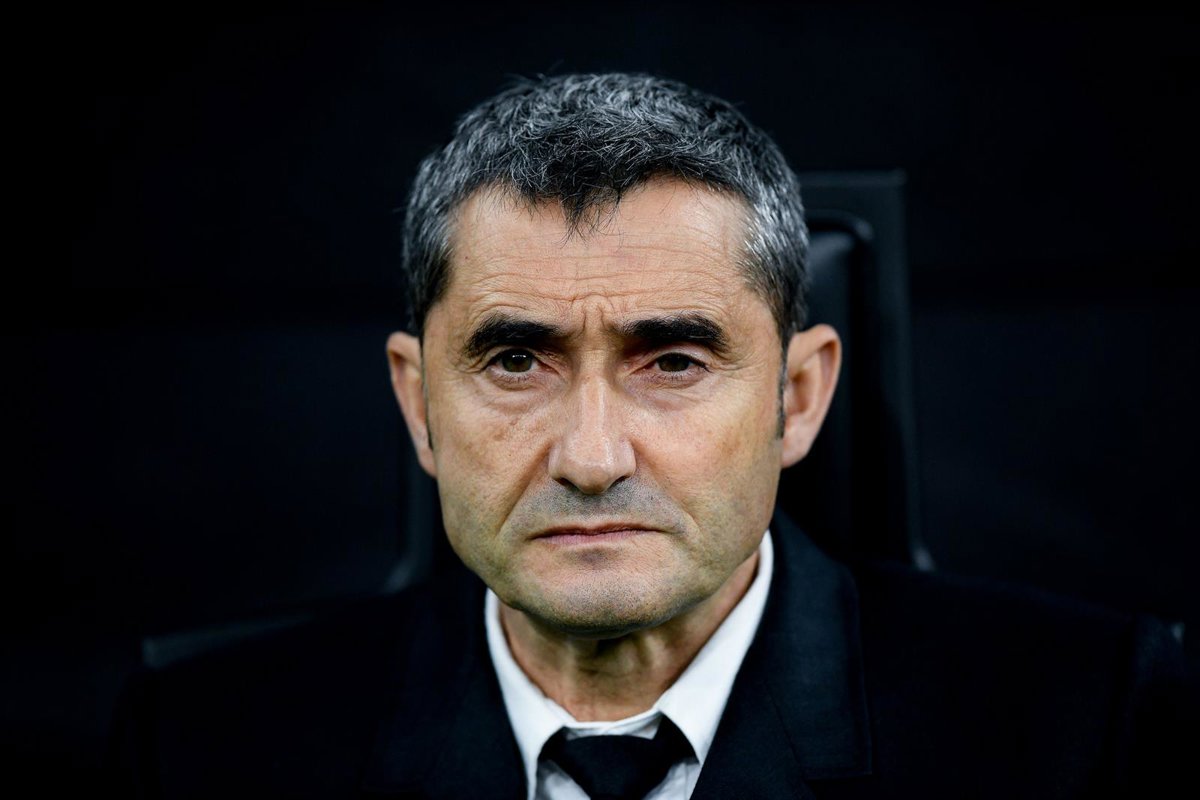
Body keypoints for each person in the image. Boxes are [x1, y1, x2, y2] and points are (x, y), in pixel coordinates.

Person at [110, 73, 1187, 799]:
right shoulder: (202, 746)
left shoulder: (1087, 730)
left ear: (799, 395)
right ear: (418, 402)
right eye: (515, 360)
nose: (592, 458)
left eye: (672, 361)